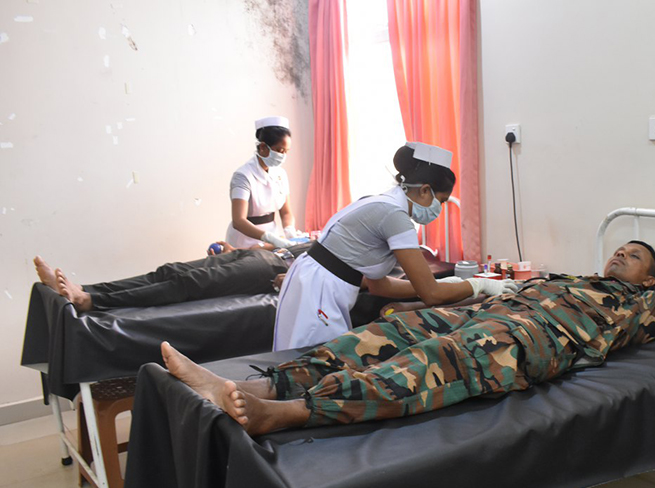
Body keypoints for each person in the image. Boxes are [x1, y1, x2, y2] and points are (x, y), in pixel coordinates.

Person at [161, 242, 655, 436]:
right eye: (620, 247)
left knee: (436, 358)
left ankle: (286, 414)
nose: (620, 254)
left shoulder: (640, 308)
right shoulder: (569, 278)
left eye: (635, 256)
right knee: (390, 330)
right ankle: (253, 386)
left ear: (651, 279)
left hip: (525, 339)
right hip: (490, 312)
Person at [273, 142, 519, 351]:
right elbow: (430, 295)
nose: (439, 209)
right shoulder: (395, 216)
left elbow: (378, 285)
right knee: (310, 363)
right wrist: (478, 284)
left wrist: (447, 284)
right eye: (441, 201)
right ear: (424, 190)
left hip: (313, 280)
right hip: (319, 290)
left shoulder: (381, 203)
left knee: (300, 357)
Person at [32, 242, 308, 312]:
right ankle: (82, 287)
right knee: (170, 271)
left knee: (186, 284)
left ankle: (90, 300)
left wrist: (293, 280)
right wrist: (243, 251)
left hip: (274, 270)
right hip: (268, 255)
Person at [226, 116, 300, 250]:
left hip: (272, 239)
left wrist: (290, 231)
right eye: (279, 150)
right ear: (263, 147)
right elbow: (238, 221)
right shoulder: (243, 176)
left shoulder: (280, 174)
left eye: (286, 151)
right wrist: (270, 238)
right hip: (244, 240)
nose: (283, 156)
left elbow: (286, 212)